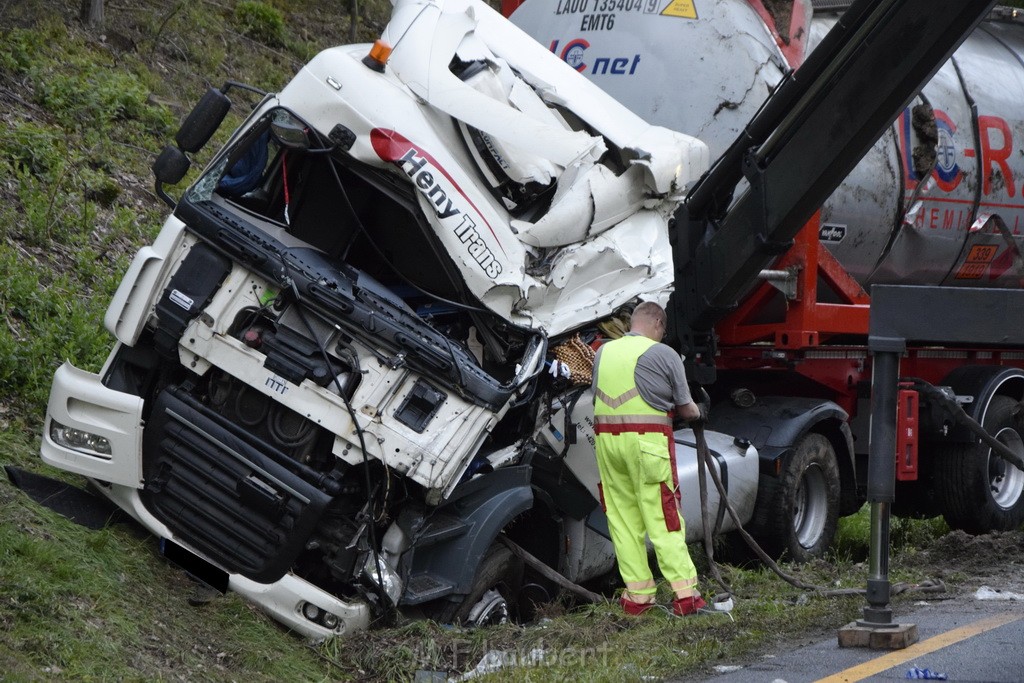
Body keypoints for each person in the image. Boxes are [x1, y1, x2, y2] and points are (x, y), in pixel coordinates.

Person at [591, 301, 707, 616]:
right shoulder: (664, 354)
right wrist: (700, 411)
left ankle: (638, 598)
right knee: (663, 517)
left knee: (622, 520)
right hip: (647, 445)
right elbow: (686, 409)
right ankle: (686, 596)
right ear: (657, 323)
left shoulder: (603, 352)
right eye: (663, 330)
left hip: (607, 445)